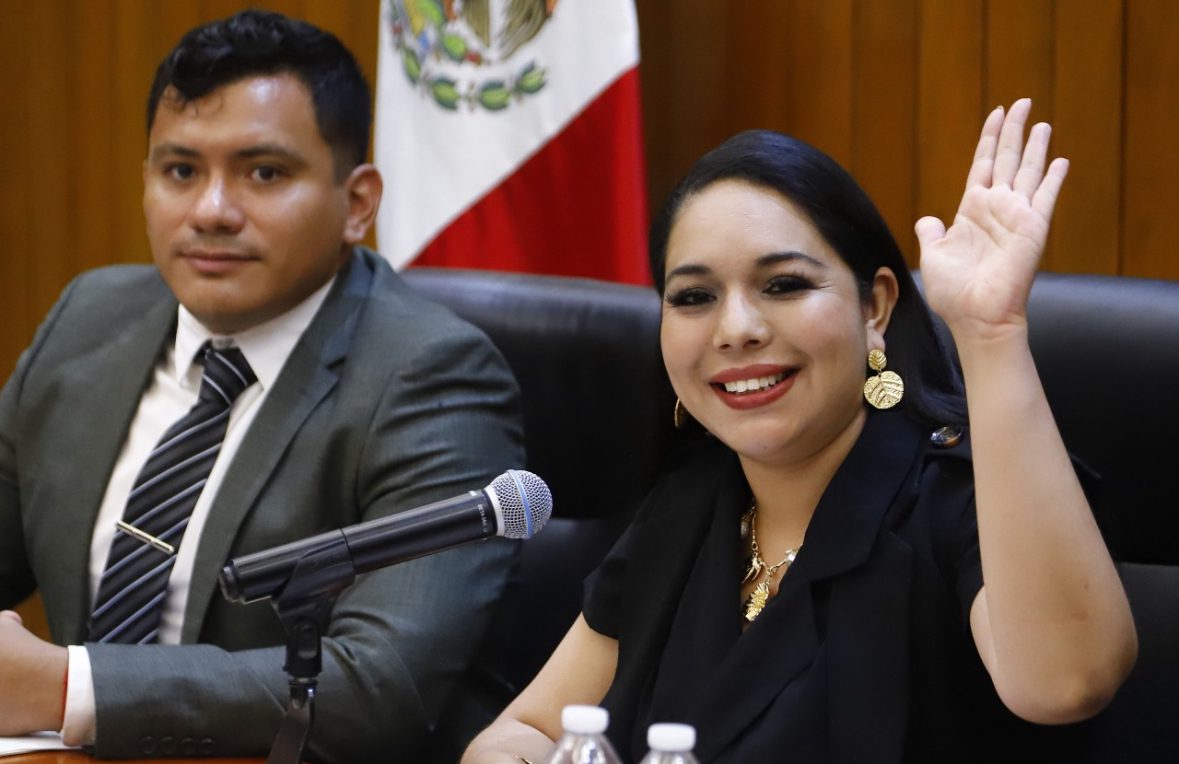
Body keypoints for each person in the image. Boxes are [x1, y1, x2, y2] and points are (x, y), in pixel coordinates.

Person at [462, 100, 1137, 763]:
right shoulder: (688, 506)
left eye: (783, 285)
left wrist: (989, 336)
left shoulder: (962, 501)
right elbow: (523, 730)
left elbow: (1066, 685)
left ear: (875, 308)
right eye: (694, 297)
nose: (736, 330)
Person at [0, 10, 524, 762]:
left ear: (357, 203)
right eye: (181, 171)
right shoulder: (89, 318)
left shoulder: (431, 375)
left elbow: (378, 685)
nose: (210, 211)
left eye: (264, 173)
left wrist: (63, 686)